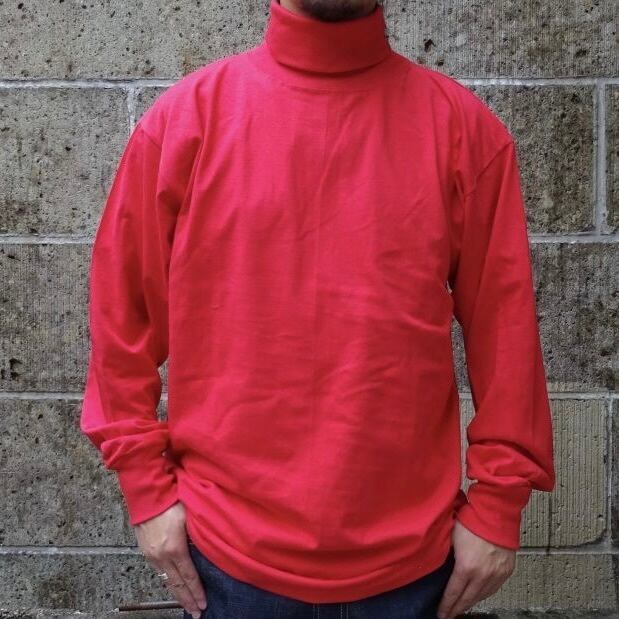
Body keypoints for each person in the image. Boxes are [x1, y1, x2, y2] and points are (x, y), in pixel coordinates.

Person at [79, 0, 556, 617]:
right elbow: (122, 319)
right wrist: (146, 489)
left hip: (413, 563)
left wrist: (498, 505)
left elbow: (506, 331)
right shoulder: (184, 123)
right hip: (228, 557)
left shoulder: (464, 131)